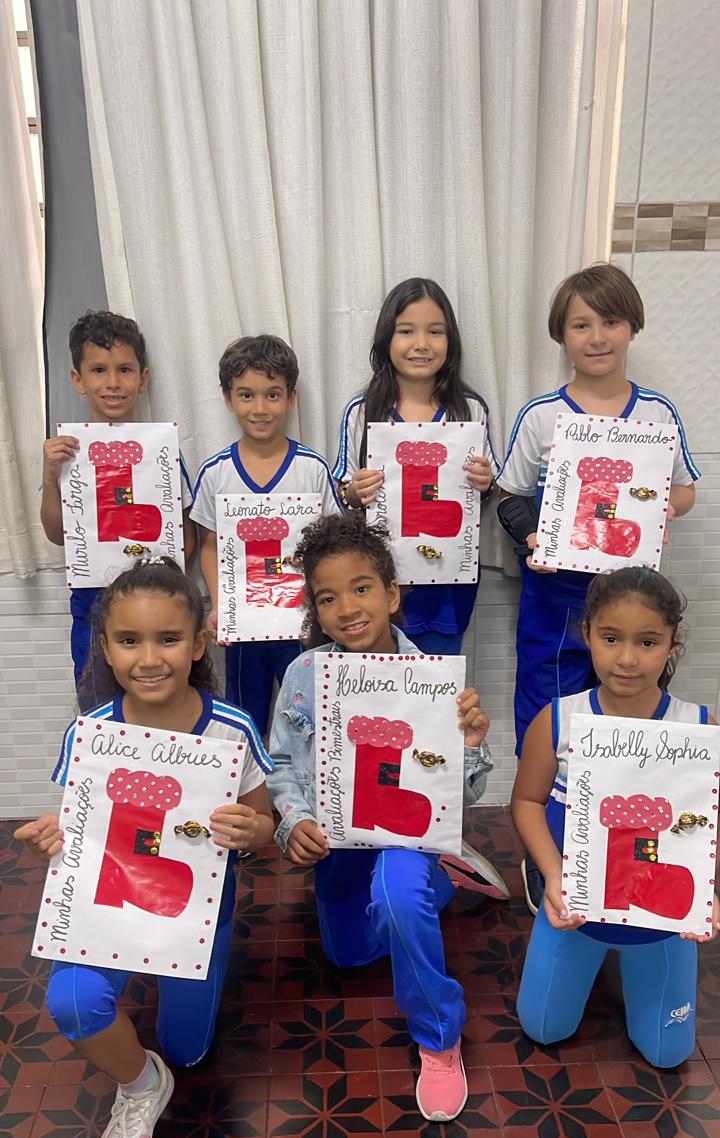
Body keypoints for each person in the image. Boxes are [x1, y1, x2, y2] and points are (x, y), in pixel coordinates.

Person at [15, 558, 274, 1138]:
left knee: (188, 1049)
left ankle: (168, 1051)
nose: (149, 658)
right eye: (129, 640)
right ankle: (140, 1086)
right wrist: (54, 838)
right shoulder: (91, 733)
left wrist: (253, 831)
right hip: (107, 905)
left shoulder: (232, 729)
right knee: (73, 1001)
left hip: (194, 915)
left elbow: (265, 829)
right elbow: (79, 827)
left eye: (169, 638)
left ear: (199, 643)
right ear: (105, 647)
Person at [268, 512, 494, 1122]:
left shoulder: (434, 680)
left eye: (362, 588)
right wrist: (294, 821)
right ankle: (446, 881)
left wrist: (471, 745)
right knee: (348, 954)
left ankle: (439, 1040)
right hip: (340, 841)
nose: (347, 608)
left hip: (406, 835)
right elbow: (281, 762)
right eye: (328, 598)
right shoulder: (304, 675)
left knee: (396, 896)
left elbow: (462, 794)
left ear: (392, 594)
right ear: (316, 611)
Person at [496, 262, 700, 912]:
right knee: (548, 723)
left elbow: (686, 490)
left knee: (629, 720)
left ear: (631, 326)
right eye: (581, 324)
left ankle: (614, 858)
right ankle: (547, 859)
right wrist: (532, 534)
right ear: (562, 335)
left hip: (632, 599)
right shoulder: (541, 416)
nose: (596, 336)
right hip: (555, 602)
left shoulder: (658, 413)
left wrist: (659, 504)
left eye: (609, 321)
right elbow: (507, 496)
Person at [512, 566, 718, 1068]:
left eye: (647, 642)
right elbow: (527, 802)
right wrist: (553, 876)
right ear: (586, 635)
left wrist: (708, 890)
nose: (627, 659)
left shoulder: (698, 727)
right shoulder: (557, 719)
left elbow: (711, 820)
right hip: (574, 915)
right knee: (543, 1028)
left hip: (661, 924)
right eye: (611, 638)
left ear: (672, 644)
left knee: (669, 1054)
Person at [332, 277, 496, 656]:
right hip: (380, 577)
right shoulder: (362, 411)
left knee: (437, 675)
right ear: (386, 338)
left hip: (448, 581)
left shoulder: (470, 409)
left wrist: (485, 482)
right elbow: (342, 491)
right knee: (378, 673)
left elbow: (487, 493)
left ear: (450, 341)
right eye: (406, 331)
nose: (421, 344)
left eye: (435, 332)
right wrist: (354, 491)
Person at [40, 311, 196, 703]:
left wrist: (161, 569)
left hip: (157, 608)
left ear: (143, 379)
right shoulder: (67, 454)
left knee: (165, 705)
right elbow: (56, 534)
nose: (112, 382)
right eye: (98, 370)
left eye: (125, 370)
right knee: (99, 709)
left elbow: (187, 537)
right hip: (92, 610)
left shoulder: (164, 453)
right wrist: (50, 476)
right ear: (78, 379)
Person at [192, 334, 341, 735]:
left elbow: (333, 548)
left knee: (309, 722)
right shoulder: (216, 473)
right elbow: (209, 547)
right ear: (228, 399)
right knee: (247, 721)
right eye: (247, 395)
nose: (260, 408)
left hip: (302, 625)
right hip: (245, 630)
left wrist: (324, 604)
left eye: (272, 395)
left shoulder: (312, 469)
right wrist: (221, 605)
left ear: (290, 398)